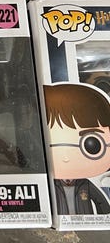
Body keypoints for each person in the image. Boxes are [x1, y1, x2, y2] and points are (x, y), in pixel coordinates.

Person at [44, 83, 110, 215]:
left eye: (92, 145)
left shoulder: (85, 184)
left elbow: (102, 203)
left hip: (84, 223)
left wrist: (103, 219)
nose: (66, 157)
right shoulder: (49, 185)